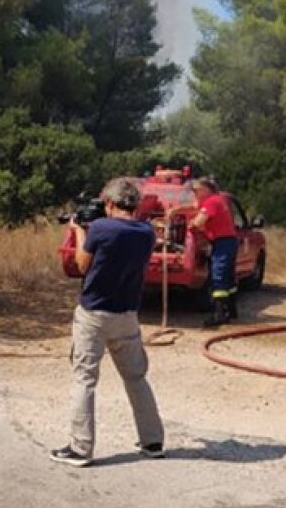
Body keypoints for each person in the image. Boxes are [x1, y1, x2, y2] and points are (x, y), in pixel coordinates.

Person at [50, 177, 165, 468]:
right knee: (136, 378)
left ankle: (80, 448)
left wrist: (78, 231)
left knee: (84, 379)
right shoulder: (146, 232)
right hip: (127, 315)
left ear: (110, 203)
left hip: (94, 314)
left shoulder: (100, 229)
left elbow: (82, 264)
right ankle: (152, 441)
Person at [190, 178, 239, 327]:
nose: (194, 194)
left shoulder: (211, 202)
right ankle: (231, 310)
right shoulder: (216, 200)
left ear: (206, 190)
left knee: (218, 276)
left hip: (222, 242)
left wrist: (190, 224)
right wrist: (175, 210)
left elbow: (198, 223)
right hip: (227, 241)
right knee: (228, 277)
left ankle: (219, 315)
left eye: (196, 191)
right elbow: (194, 207)